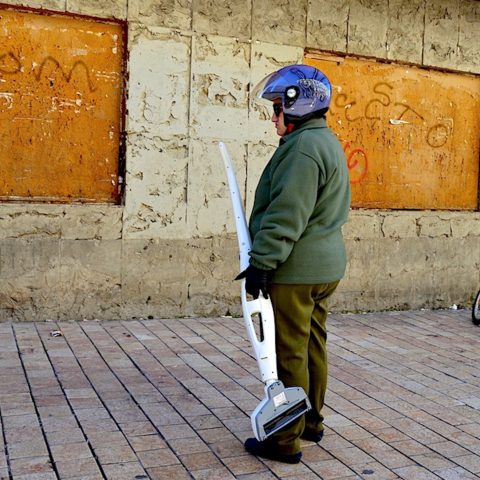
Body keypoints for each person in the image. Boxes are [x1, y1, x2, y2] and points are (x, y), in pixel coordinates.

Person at [238, 64, 351, 464]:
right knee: (313, 345)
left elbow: (287, 214)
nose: (273, 118)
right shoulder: (324, 141)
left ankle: (285, 440)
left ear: (297, 106)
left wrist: (261, 263)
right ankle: (311, 421)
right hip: (324, 268)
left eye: (276, 109)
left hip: (297, 271)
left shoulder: (302, 149)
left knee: (289, 353)